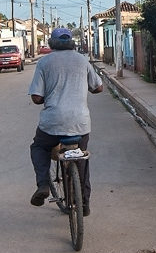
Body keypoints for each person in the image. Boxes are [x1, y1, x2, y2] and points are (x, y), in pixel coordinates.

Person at [28, 27, 103, 211]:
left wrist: (49, 98)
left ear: (51, 43)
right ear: (72, 42)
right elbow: (98, 87)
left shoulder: (45, 63)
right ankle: (84, 204)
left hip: (53, 122)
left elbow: (36, 97)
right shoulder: (82, 60)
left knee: (39, 147)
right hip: (80, 123)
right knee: (81, 159)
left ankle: (43, 184)